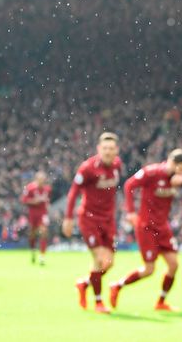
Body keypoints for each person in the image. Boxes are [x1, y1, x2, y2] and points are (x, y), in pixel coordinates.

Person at [110, 149, 182, 311]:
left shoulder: (179, 177)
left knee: (174, 265)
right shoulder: (152, 172)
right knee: (149, 270)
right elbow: (129, 185)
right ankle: (117, 285)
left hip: (163, 227)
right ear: (172, 163)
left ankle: (161, 302)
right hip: (146, 227)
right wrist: (130, 211)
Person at [63, 132, 123, 314]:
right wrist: (68, 217)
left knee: (109, 263)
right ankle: (98, 302)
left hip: (108, 219)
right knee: (99, 259)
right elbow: (73, 192)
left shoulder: (117, 165)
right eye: (105, 148)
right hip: (89, 218)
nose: (108, 151)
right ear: (99, 149)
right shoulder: (87, 168)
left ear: (116, 151)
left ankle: (84, 284)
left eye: (111, 149)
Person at [21, 171, 52, 265]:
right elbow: (24, 200)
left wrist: (47, 205)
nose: (42, 181)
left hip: (43, 214)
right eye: (40, 179)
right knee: (32, 234)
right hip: (32, 214)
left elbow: (47, 200)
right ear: (36, 179)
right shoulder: (30, 188)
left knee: (43, 232)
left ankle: (42, 257)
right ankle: (33, 251)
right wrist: (35, 201)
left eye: (43, 179)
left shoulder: (48, 189)